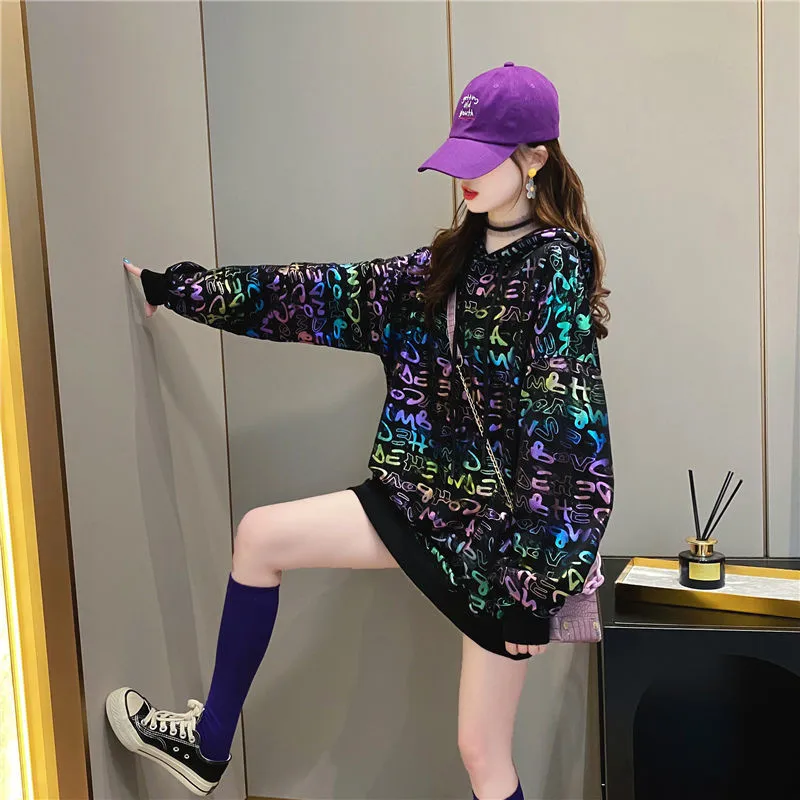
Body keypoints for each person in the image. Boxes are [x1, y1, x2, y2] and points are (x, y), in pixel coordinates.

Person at [106, 62, 614, 800]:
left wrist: (533, 591)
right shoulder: (443, 264)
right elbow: (319, 294)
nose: (463, 177)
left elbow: (568, 437)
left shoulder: (554, 268)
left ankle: (210, 743)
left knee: (481, 752)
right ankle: (208, 745)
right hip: (416, 502)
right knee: (260, 536)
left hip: (497, 548)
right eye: (458, 156)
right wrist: (183, 290)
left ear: (534, 158)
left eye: (481, 159)